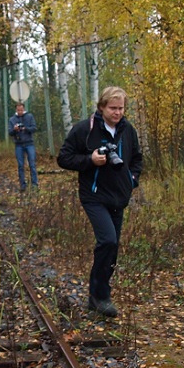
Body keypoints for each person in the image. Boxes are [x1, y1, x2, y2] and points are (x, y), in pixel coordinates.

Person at [57, 86, 143, 318]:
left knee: (112, 249)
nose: (117, 113)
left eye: (121, 108)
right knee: (107, 240)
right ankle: (101, 296)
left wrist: (132, 180)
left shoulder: (128, 131)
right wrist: (90, 160)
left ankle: (96, 295)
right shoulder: (86, 130)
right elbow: (64, 158)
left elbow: (137, 158)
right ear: (102, 107)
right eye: (113, 108)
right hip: (93, 195)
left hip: (119, 196)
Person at [9, 102, 39, 191]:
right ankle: (23, 185)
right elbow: (10, 132)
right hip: (19, 144)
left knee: (32, 164)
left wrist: (26, 128)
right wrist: (15, 130)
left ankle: (35, 184)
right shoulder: (12, 119)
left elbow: (34, 128)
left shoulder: (29, 117)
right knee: (21, 165)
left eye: (21, 110)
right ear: (16, 110)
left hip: (29, 143)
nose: (20, 112)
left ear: (24, 109)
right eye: (18, 110)